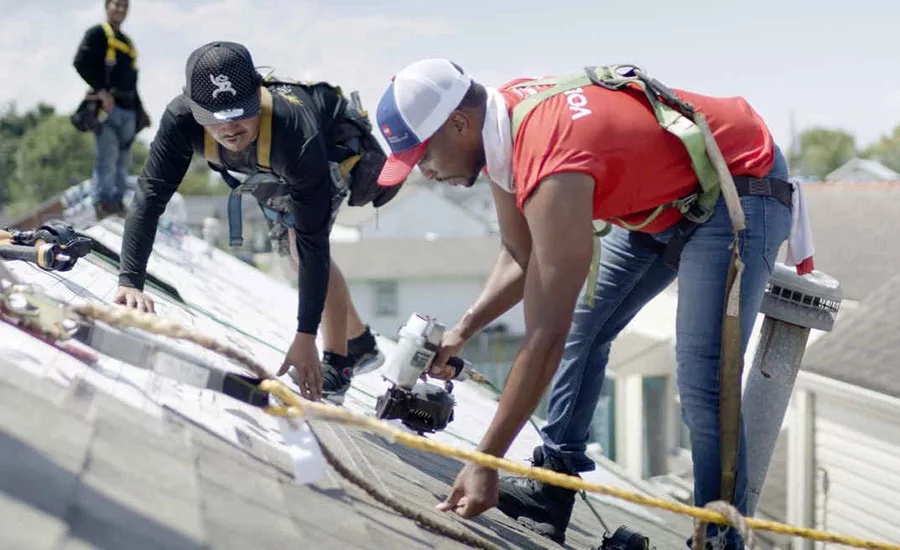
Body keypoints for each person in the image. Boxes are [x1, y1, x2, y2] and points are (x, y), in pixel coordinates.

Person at [374, 59, 803, 549]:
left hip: (740, 183)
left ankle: (719, 541)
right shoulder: (499, 128)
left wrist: (484, 463)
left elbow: (543, 337)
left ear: (457, 124)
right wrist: (462, 330)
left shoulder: (550, 159)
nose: (425, 173)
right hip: (664, 197)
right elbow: (520, 253)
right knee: (587, 328)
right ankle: (551, 485)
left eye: (423, 156)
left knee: (702, 378)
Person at [114, 41, 392, 403]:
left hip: (330, 145)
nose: (229, 128)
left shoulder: (294, 132)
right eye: (216, 117)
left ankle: (338, 364)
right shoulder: (180, 121)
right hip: (273, 163)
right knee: (295, 252)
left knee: (298, 247)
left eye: (240, 113)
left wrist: (305, 337)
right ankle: (360, 344)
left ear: (257, 95)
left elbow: (313, 244)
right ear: (195, 110)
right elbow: (150, 198)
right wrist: (131, 281)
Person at [73, 0, 150, 219]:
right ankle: (103, 202)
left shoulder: (127, 42)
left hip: (128, 108)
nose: (120, 10)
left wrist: (141, 111)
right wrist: (101, 91)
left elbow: (132, 82)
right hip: (107, 107)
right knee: (107, 155)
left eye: (124, 6)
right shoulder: (97, 33)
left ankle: (117, 202)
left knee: (123, 158)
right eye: (116, 5)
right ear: (107, 6)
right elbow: (80, 62)